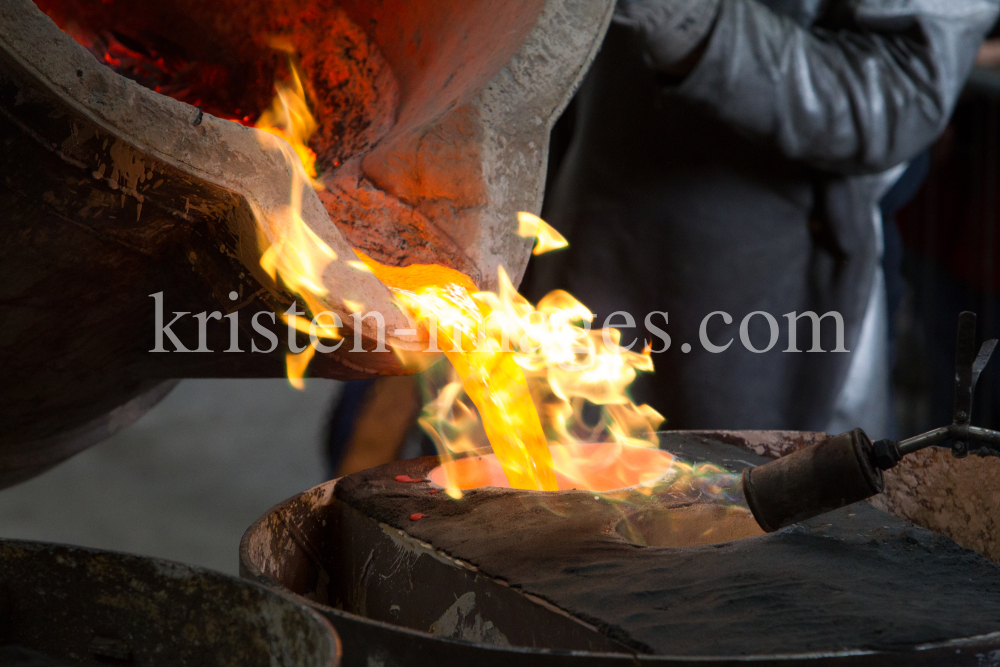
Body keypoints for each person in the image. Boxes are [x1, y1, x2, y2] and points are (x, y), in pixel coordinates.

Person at [524, 0, 1000, 439]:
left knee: (754, 514)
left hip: (769, 316)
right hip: (583, 250)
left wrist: (694, 22)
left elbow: (906, 87)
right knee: (558, 501)